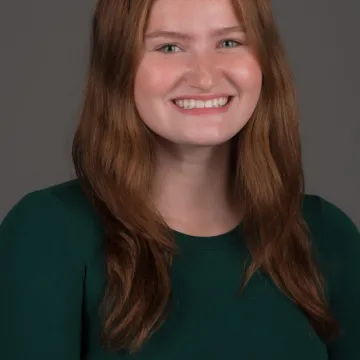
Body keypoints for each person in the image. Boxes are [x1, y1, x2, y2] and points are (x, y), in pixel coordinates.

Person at [0, 0, 359, 358]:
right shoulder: (47, 234)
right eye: (169, 47)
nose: (205, 77)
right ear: (117, 64)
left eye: (229, 42)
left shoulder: (326, 235)